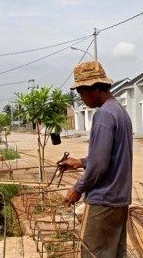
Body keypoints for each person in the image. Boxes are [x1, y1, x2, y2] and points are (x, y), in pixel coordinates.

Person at [59, 61, 133, 258]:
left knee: (93, 253)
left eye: (81, 93)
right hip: (119, 198)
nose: (82, 99)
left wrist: (78, 188)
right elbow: (111, 156)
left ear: (92, 89)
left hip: (103, 199)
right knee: (115, 252)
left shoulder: (103, 115)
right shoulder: (119, 111)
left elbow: (99, 165)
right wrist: (80, 162)